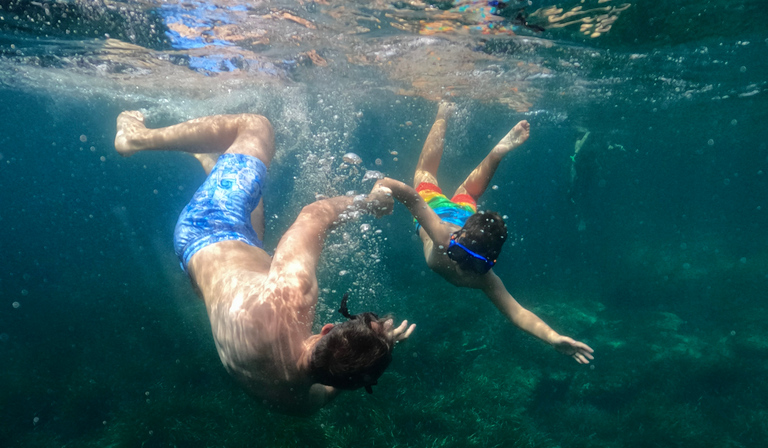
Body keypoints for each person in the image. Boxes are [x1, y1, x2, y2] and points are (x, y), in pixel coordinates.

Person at [114, 111, 415, 415]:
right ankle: (213, 165)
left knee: (256, 127)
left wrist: (369, 203)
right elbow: (330, 388)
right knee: (256, 209)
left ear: (326, 330)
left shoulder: (292, 293)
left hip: (208, 226)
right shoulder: (294, 401)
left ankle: (135, 138)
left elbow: (315, 214)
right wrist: (376, 352)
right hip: (205, 272)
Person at [375, 101, 593, 363]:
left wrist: (553, 338)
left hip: (467, 219)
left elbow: (517, 313)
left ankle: (497, 152)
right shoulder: (443, 236)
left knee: (468, 193)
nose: (462, 268)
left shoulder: (486, 277)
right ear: (454, 243)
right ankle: (444, 114)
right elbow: (403, 192)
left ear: (488, 264)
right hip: (439, 212)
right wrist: (379, 191)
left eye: (475, 265)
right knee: (424, 175)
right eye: (458, 255)